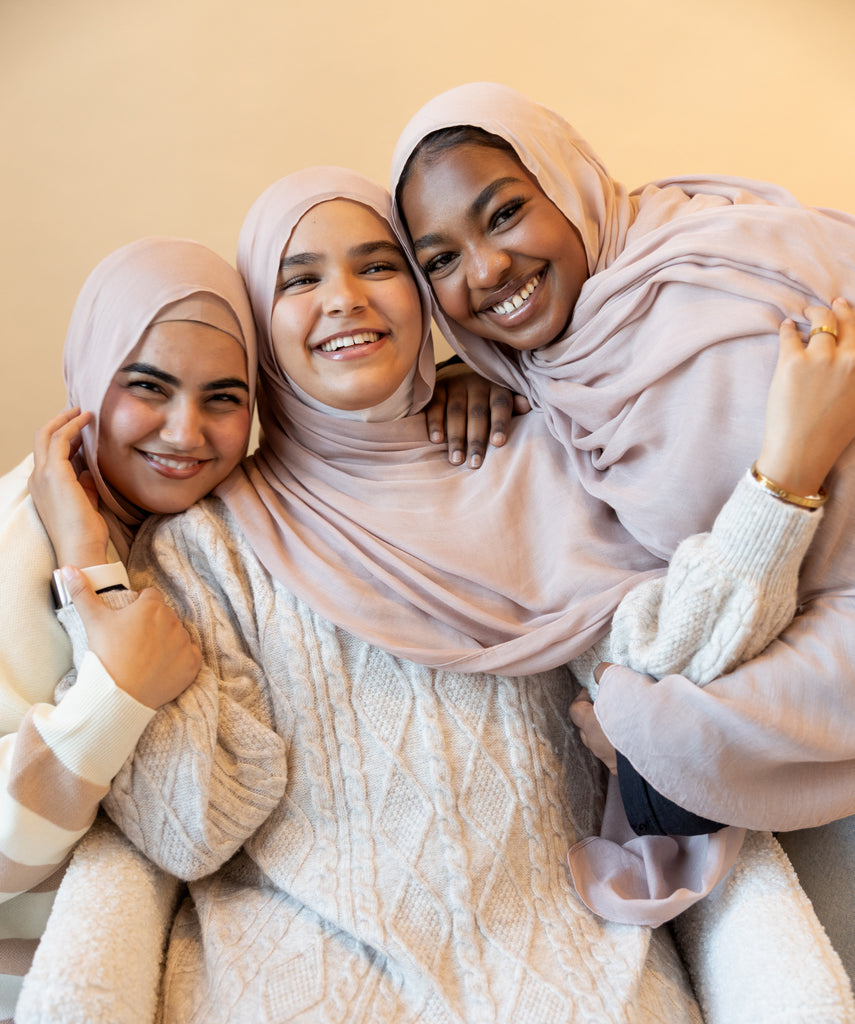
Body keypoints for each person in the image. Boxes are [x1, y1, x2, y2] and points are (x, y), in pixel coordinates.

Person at [89, 168, 855, 1021]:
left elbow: (675, 668)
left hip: (580, 976)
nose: (343, 299)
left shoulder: (542, 456)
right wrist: (96, 559)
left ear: (424, 299)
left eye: (379, 266)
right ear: (261, 328)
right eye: (298, 278)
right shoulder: (207, 544)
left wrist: (781, 479)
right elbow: (187, 829)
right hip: (300, 981)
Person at [0, 235, 259, 1022]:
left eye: (223, 397)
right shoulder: (20, 538)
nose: (184, 433)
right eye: (148, 387)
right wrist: (117, 691)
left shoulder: (226, 520)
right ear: (86, 381)